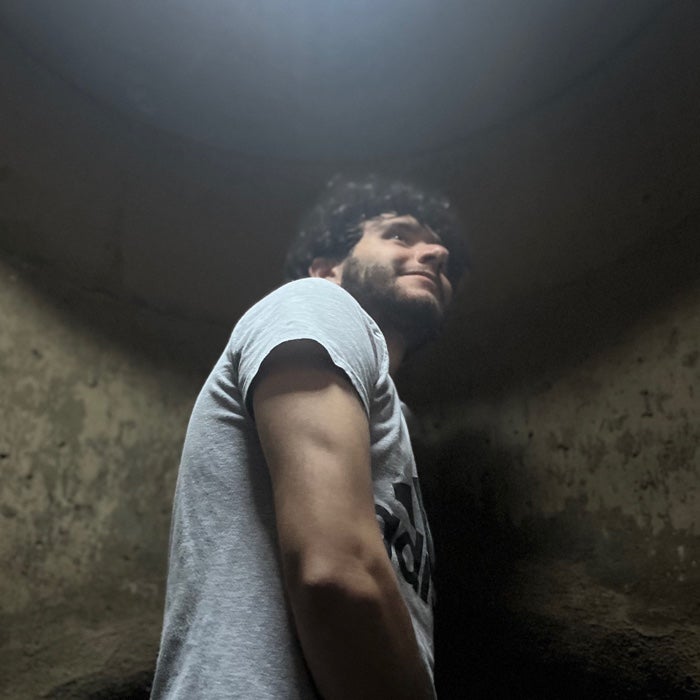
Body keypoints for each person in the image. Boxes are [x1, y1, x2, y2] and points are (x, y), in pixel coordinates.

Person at [151, 175, 468, 699]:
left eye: (439, 251)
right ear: (327, 269)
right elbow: (337, 574)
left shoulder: (395, 417)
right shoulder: (316, 303)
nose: (437, 254)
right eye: (398, 235)